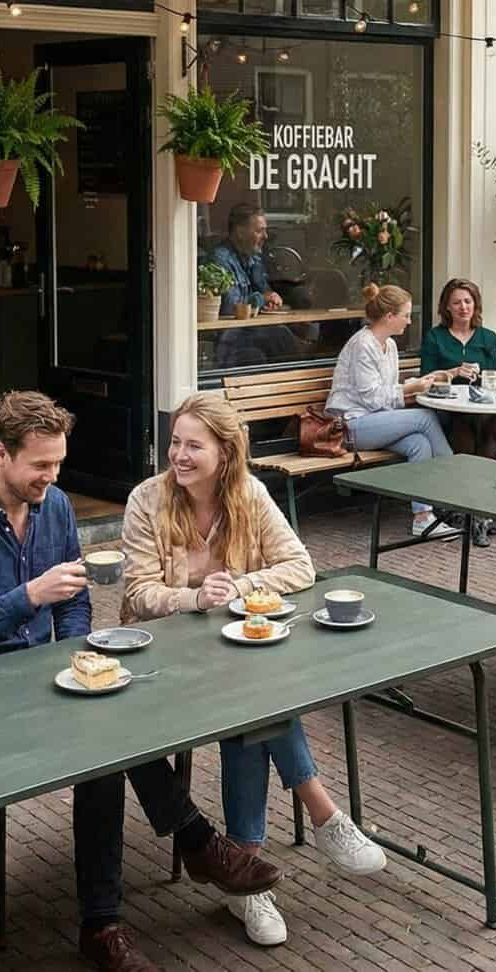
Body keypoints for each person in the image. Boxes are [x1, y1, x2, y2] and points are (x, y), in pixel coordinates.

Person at [0, 391, 279, 972]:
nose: (52, 477)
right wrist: (29, 597)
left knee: (110, 727)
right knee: (106, 740)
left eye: (58, 464)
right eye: (40, 465)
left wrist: (74, 652)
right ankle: (183, 852)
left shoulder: (56, 506)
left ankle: (106, 923)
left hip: (50, 673)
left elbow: (78, 599)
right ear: (1, 455)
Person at [119, 392, 386, 947]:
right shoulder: (147, 499)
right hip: (160, 662)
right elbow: (139, 594)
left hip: (231, 658)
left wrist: (238, 586)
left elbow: (300, 565)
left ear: (226, 451)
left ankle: (245, 876)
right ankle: (323, 815)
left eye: (194, 445)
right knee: (255, 705)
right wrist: (192, 599)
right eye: (175, 442)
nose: (179, 455)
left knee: (252, 710)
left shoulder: (249, 494)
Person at [325, 285, 460, 541]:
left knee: (419, 444)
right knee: (425, 417)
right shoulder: (362, 345)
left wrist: (417, 385)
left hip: (374, 422)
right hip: (350, 426)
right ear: (389, 316)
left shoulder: (390, 346)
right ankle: (456, 488)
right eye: (406, 315)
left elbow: (387, 397)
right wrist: (410, 388)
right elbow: (372, 398)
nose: (409, 321)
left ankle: (423, 518)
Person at [421, 278, 496, 460]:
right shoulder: (435, 337)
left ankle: (481, 481)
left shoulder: (488, 337)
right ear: (447, 307)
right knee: (466, 425)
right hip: (447, 407)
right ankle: (474, 480)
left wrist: (481, 374)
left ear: (475, 305)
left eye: (468, 301)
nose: (463, 307)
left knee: (490, 425)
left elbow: (493, 379)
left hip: (480, 406)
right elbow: (425, 380)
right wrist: (454, 372)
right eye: (456, 302)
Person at [210, 204, 284, 317]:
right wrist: (262, 299)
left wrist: (271, 300)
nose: (266, 236)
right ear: (240, 233)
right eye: (259, 231)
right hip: (229, 332)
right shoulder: (220, 259)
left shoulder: (253, 258)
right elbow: (230, 307)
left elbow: (266, 293)